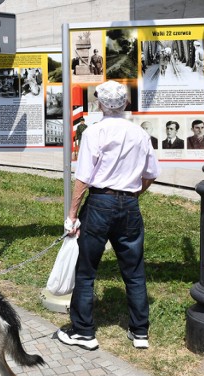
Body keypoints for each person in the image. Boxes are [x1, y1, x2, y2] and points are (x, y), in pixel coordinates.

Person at [56, 80, 161, 351]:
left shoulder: (94, 132)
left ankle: (84, 332)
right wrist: (132, 196)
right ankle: (139, 332)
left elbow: (83, 179)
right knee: (134, 270)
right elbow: (149, 175)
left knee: (87, 269)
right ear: (126, 103)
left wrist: (72, 214)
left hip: (100, 202)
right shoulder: (139, 134)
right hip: (129, 205)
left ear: (99, 103)